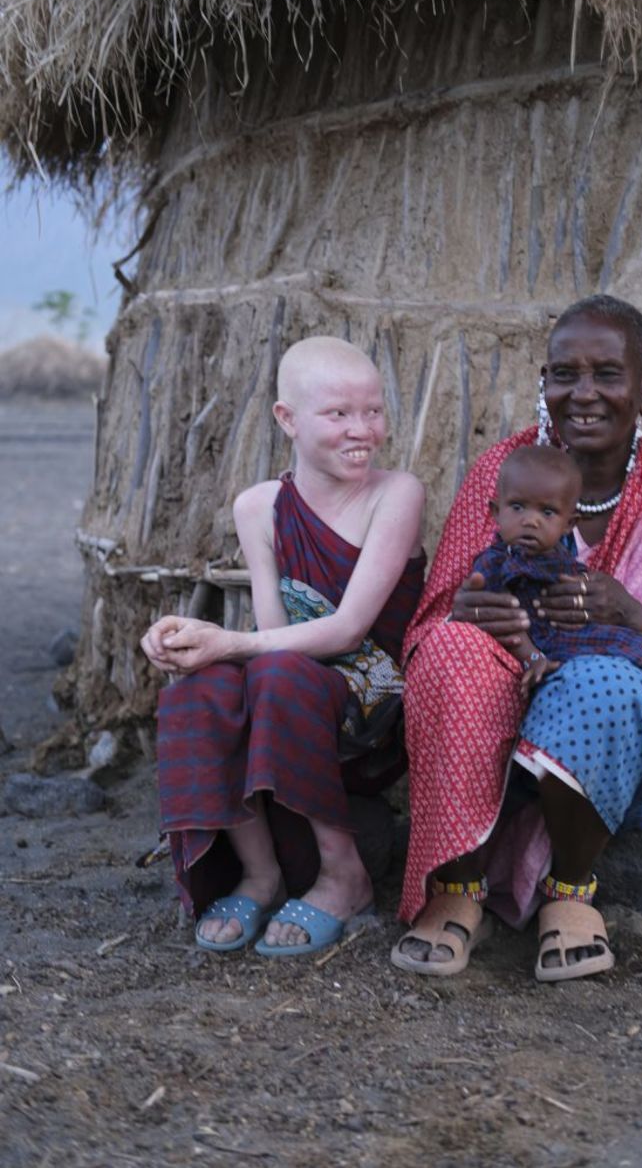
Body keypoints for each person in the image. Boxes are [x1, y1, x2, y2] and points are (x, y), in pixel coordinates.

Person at [391, 294, 642, 982]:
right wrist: (484, 616)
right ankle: (460, 886)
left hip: (635, 732)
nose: (582, 394)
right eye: (564, 374)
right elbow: (446, 605)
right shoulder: (506, 474)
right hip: (507, 714)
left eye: (606, 374)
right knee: (449, 646)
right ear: (544, 380)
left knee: (598, 680)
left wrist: (632, 615)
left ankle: (572, 890)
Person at [141, 336, 425, 956]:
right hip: (292, 685)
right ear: (286, 419)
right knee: (202, 688)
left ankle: (343, 872)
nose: (362, 430)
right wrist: (180, 639)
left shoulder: (395, 494)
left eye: (373, 411)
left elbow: (349, 631)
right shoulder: (259, 507)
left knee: (275, 675)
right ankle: (260, 871)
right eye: (338, 414)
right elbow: (270, 634)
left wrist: (229, 641)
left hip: (375, 702)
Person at [474, 444, 642, 741]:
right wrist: (532, 658)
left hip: (571, 635)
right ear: (495, 512)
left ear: (569, 525)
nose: (531, 521)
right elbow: (505, 620)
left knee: (632, 641)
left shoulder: (554, 555)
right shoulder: (497, 561)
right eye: (517, 507)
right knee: (623, 648)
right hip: (546, 645)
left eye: (547, 512)